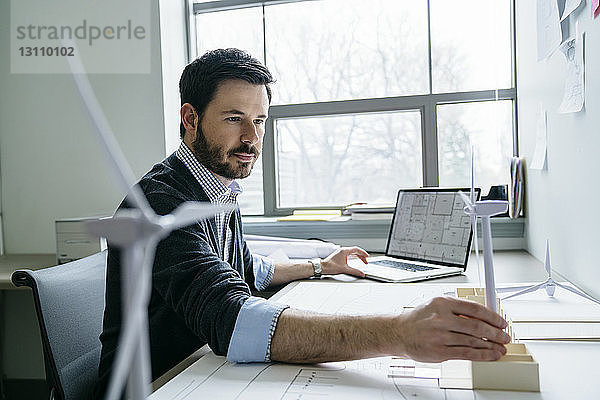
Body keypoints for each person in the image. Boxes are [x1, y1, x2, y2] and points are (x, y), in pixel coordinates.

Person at [94, 48, 510, 398]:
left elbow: (245, 271)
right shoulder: (159, 203)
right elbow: (233, 319)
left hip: (198, 367)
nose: (252, 138)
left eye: (259, 121)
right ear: (190, 118)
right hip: (156, 385)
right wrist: (399, 334)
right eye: (234, 118)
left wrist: (322, 266)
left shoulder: (218, 187)